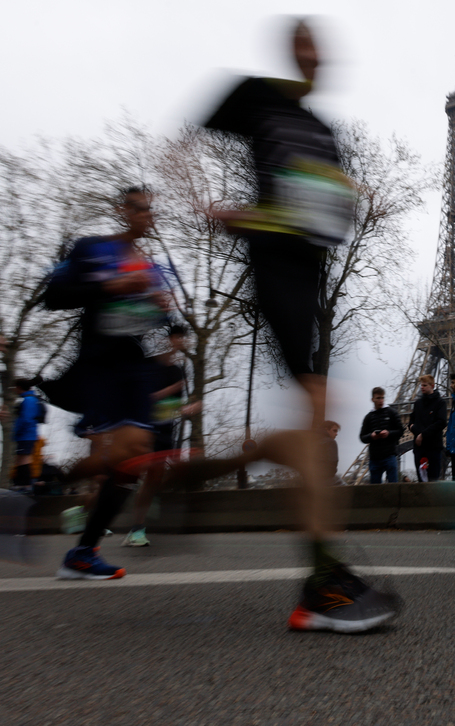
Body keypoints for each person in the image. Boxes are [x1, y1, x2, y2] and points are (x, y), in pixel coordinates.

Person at [195, 18, 400, 631]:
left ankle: (221, 466)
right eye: (303, 39)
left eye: (319, 43)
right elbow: (194, 132)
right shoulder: (261, 97)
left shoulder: (324, 133)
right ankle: (322, 586)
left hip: (308, 275)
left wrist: (350, 192)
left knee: (315, 423)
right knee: (321, 410)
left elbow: (325, 203)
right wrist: (218, 205)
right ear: (291, 50)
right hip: (275, 267)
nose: (313, 51)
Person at [43, 185, 169, 580]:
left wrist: (156, 308)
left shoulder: (150, 267)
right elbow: (54, 295)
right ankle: (40, 491)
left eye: (150, 210)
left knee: (132, 461)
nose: (145, 215)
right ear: (122, 210)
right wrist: (108, 287)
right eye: (137, 209)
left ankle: (81, 551)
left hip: (134, 366)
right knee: (128, 453)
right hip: (99, 365)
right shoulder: (91, 248)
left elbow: (147, 322)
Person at [122, 325, 197, 547]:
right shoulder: (151, 364)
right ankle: (134, 526)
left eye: (184, 338)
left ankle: (136, 529)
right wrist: (170, 390)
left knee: (155, 479)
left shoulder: (179, 370)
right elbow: (144, 399)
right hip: (145, 429)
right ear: (169, 339)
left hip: (166, 430)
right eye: (178, 337)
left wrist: (186, 409)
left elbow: (172, 407)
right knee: (136, 477)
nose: (181, 341)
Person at [359, 387, 403, 484]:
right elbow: (362, 437)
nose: (381, 400)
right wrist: (372, 436)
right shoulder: (368, 417)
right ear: (372, 399)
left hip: (389, 455)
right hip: (375, 458)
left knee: (393, 487)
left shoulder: (392, 413)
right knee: (375, 490)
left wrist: (388, 433)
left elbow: (401, 431)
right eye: (378, 398)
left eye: (382, 398)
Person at [409, 374, 446, 482]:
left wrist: (422, 434)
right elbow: (410, 422)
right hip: (420, 449)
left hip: (433, 448)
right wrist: (417, 431)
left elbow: (441, 422)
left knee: (433, 481)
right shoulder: (417, 403)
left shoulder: (440, 403)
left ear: (432, 386)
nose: (422, 387)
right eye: (421, 385)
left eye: (424, 385)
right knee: (421, 481)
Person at [12, 379, 44, 491]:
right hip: (27, 434)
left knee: (24, 459)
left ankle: (25, 485)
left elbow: (26, 418)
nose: (14, 390)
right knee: (20, 459)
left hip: (26, 435)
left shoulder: (28, 400)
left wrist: (17, 431)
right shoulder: (30, 399)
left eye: (15, 387)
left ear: (20, 387)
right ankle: (21, 484)